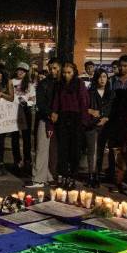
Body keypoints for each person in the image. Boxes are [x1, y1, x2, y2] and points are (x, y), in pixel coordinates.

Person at [47, 62, 88, 191]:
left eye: (69, 72)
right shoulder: (59, 84)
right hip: (63, 118)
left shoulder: (79, 84)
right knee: (63, 149)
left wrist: (83, 122)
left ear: (74, 72)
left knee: (75, 150)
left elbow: (83, 102)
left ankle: (73, 177)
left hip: (76, 119)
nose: (66, 75)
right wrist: (53, 116)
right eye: (64, 72)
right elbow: (56, 102)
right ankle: (63, 175)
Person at [26, 59, 60, 189]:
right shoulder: (43, 83)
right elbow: (40, 103)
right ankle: (39, 178)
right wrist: (49, 114)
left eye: (55, 68)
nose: (53, 71)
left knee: (53, 151)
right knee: (42, 148)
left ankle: (49, 176)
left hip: (57, 120)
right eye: (51, 68)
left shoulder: (61, 83)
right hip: (45, 119)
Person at [85, 69, 111, 186]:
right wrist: (90, 111)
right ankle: (91, 175)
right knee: (92, 150)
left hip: (105, 126)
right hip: (92, 125)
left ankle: (97, 174)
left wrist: (106, 118)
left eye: (104, 77)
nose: (102, 79)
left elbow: (112, 109)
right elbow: (85, 107)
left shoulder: (111, 93)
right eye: (100, 77)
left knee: (100, 151)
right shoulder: (90, 92)